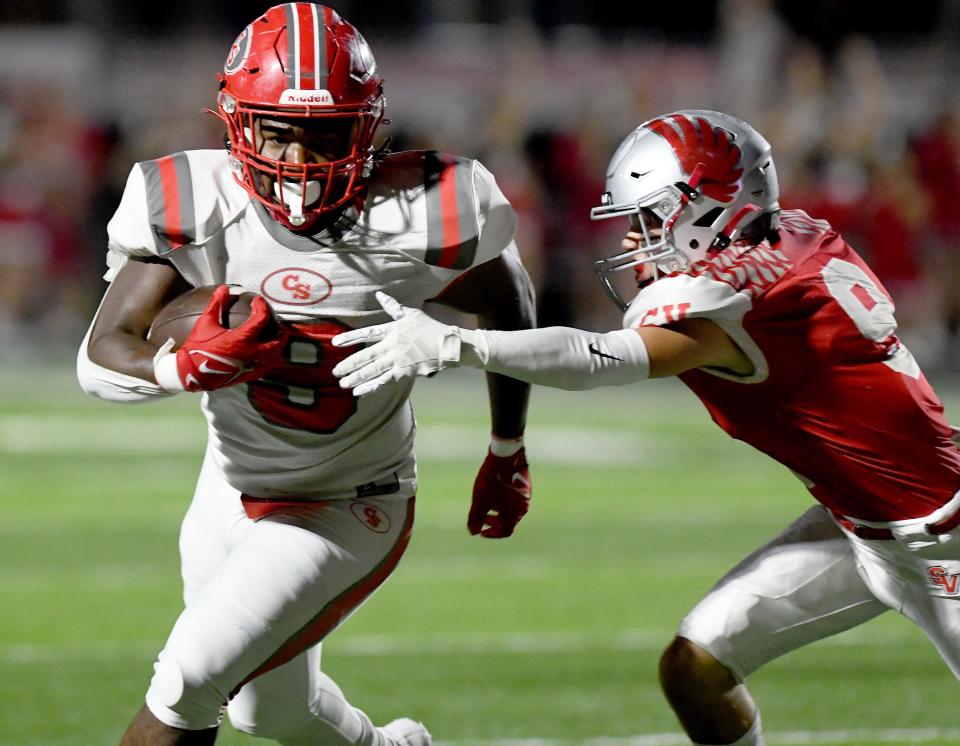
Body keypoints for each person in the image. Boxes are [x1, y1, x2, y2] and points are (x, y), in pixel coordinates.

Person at [331, 110, 960, 746]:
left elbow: (602, 361)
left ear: (716, 210)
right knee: (696, 668)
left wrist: (458, 343)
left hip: (943, 539)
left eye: (648, 219)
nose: (634, 240)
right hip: (858, 523)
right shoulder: (786, 238)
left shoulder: (733, 297)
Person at [76, 4, 535, 745]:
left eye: (324, 134)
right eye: (279, 131)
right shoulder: (192, 201)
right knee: (271, 713)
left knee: (189, 682)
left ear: (368, 127)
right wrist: (178, 366)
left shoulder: (428, 211)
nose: (298, 159)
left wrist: (507, 448)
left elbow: (509, 297)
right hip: (227, 489)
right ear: (234, 121)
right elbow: (101, 357)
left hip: (347, 503)